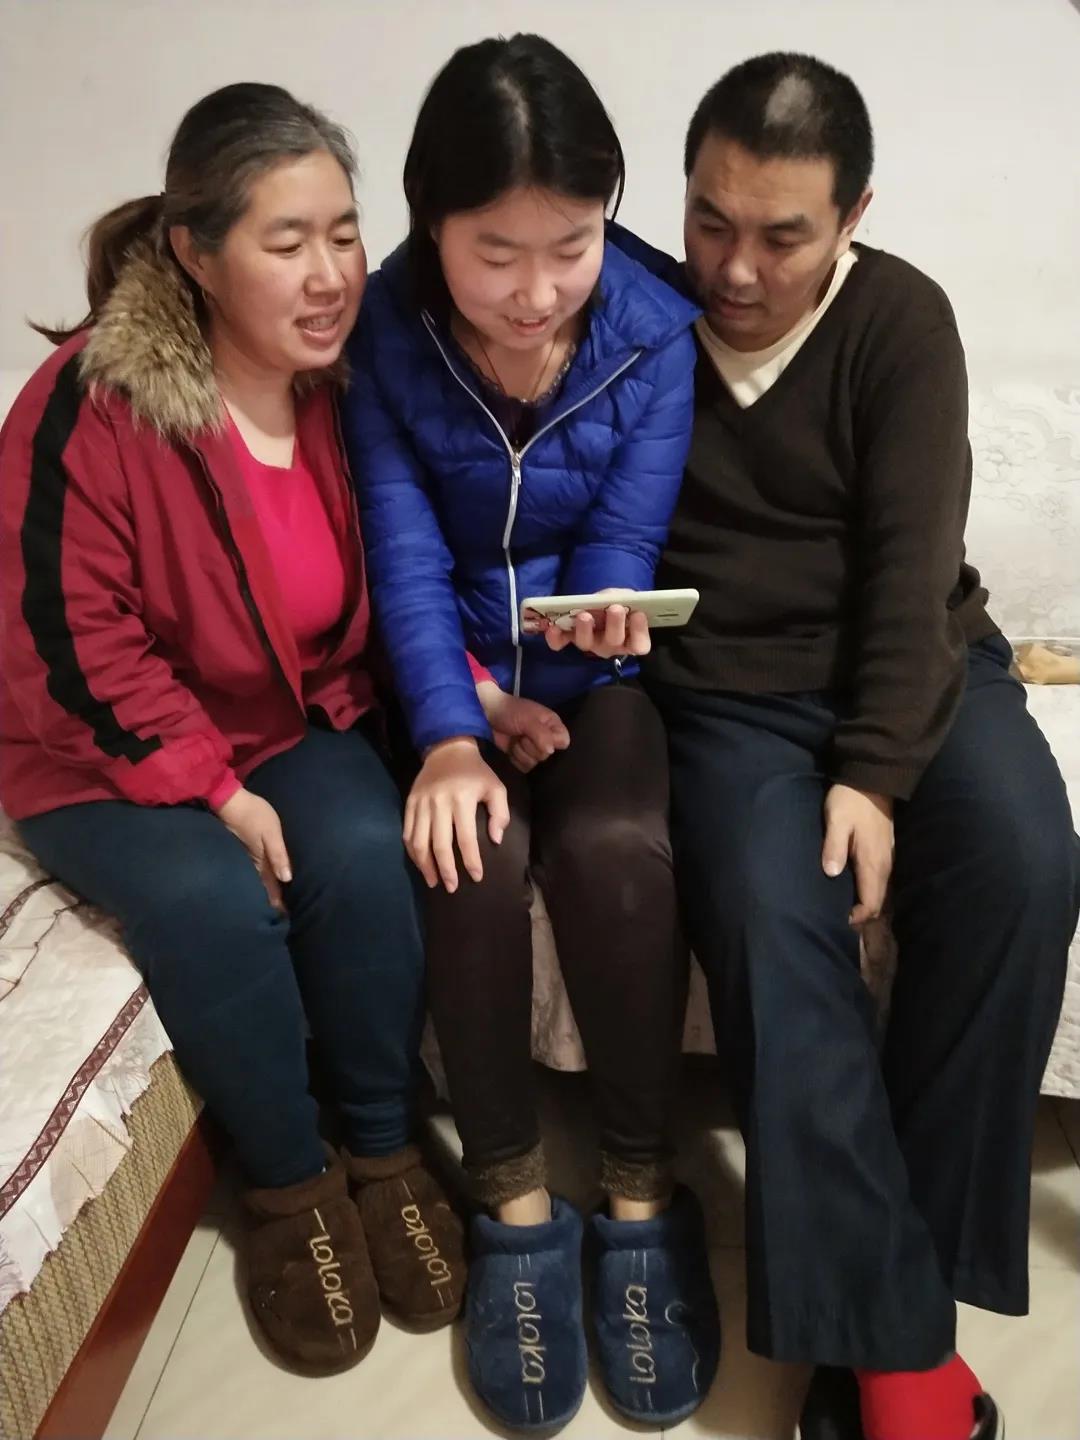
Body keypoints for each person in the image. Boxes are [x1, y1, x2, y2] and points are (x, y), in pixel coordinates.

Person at [626, 52, 1078, 1440]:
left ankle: (889, 1303)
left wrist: (874, 776)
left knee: (1024, 864)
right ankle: (900, 1362)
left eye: (782, 236)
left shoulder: (900, 319)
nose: (736, 268)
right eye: (709, 220)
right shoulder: (636, 316)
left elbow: (910, 572)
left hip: (915, 664)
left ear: (853, 217)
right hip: (730, 700)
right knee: (776, 920)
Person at [0, 82, 465, 1378]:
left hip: (277, 719)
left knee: (362, 851)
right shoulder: (91, 402)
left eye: (345, 234)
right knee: (213, 900)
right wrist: (213, 790)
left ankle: (382, 1148)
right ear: (196, 257)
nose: (329, 274)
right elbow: (65, 640)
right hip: (96, 749)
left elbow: (412, 569)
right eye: (287, 241)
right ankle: (290, 1185)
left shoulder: (347, 386)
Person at [342, 33, 720, 1434]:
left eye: (571, 245)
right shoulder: (385, 333)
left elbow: (621, 542)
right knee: (468, 858)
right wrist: (458, 726)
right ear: (431, 222)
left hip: (584, 680)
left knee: (618, 844)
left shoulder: (653, 332)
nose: (537, 290)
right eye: (495, 251)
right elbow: (399, 553)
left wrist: (572, 659)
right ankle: (511, 1202)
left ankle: (639, 1193)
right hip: (441, 674)